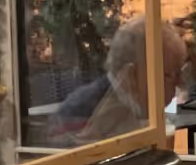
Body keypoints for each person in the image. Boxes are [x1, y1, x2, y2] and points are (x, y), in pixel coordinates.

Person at [58, 17, 187, 145]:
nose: (180, 83)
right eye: (170, 74)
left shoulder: (134, 103)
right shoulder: (84, 111)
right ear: (132, 74)